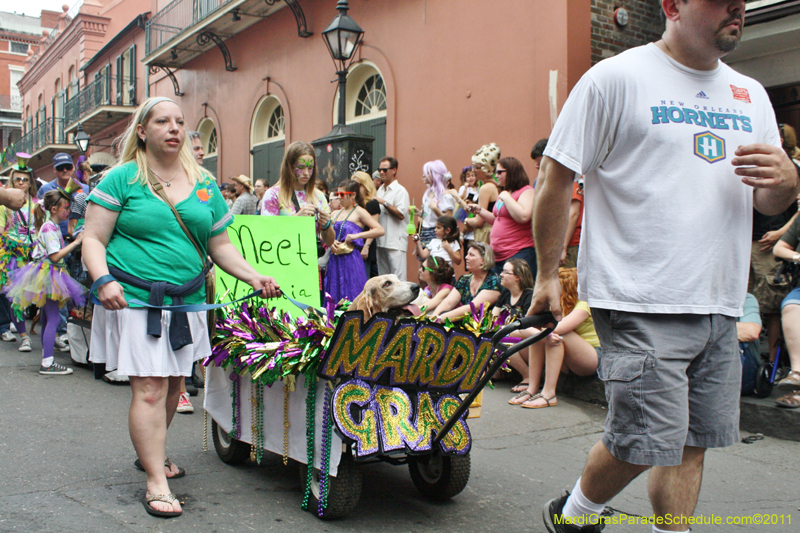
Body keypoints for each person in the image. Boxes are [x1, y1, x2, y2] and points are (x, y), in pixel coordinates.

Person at [529, 2, 800, 532]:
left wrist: (789, 182)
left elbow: (767, 199)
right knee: (643, 440)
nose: (736, 8)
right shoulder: (615, 79)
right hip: (639, 296)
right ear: (673, 5)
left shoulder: (750, 94)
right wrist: (544, 275)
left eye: (741, 0)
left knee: (693, 443)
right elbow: (555, 179)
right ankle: (575, 514)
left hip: (721, 300)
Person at [82, 97, 281, 518]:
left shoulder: (203, 182)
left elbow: (219, 244)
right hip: (137, 300)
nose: (173, 128)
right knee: (151, 389)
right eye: (162, 121)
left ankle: (150, 453)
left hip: (187, 302)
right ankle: (156, 480)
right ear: (142, 131)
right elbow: (93, 239)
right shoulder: (122, 178)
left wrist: (253, 276)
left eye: (179, 121)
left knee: (174, 387)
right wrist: (103, 279)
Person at [4, 189, 86, 374]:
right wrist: (76, 242)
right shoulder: (49, 228)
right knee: (54, 318)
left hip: (50, 273)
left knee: (48, 317)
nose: (68, 211)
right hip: (47, 274)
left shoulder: (52, 226)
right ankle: (47, 363)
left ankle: (47, 358)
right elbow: (55, 256)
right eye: (66, 207)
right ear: (54, 209)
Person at [511, 268, 599, 409]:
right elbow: (522, 329)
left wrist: (535, 332)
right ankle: (532, 388)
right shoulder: (558, 304)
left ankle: (549, 394)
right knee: (542, 336)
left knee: (556, 334)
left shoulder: (584, 303)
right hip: (568, 359)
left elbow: (558, 329)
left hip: (591, 357)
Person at [749, 124, 800, 362]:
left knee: (772, 305)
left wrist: (780, 232)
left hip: (769, 242)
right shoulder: (751, 162)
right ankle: (750, 359)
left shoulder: (791, 168)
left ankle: (773, 361)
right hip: (747, 239)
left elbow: (798, 211)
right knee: (748, 302)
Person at [261, 141, 334, 296]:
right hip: (280, 268)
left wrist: (326, 224)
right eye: (300, 167)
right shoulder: (273, 195)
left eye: (310, 167)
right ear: (289, 166)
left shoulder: (319, 196)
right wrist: (296, 219)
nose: (306, 173)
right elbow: (267, 236)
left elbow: (329, 241)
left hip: (309, 268)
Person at [468, 156, 536, 277]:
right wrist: (480, 211)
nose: (496, 176)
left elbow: (523, 217)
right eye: (496, 172)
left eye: (500, 172)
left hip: (518, 253)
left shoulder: (526, 191)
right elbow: (498, 219)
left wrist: (506, 196)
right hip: (498, 256)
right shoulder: (505, 193)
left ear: (512, 172)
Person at [0, 160, 39, 351]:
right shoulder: (4, 205)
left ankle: (54, 336)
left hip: (35, 255)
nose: (21, 182)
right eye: (17, 179)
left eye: (25, 179)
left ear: (30, 183)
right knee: (15, 298)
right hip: (13, 257)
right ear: (12, 181)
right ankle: (24, 337)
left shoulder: (38, 205)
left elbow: (42, 229)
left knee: (44, 297)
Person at [325, 181, 384, 303]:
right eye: (337, 194)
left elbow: (379, 230)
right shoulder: (335, 213)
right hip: (334, 259)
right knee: (333, 293)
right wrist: (330, 241)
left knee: (352, 291)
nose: (339, 198)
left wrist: (357, 236)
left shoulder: (359, 211)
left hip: (351, 259)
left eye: (342, 194)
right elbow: (325, 233)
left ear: (353, 195)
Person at [492, 258, 534, 392]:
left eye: (506, 272)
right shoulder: (505, 293)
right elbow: (493, 318)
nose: (501, 275)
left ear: (517, 277)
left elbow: (529, 327)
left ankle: (528, 376)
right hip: (508, 335)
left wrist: (503, 330)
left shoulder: (529, 296)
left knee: (502, 339)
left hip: (528, 342)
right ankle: (500, 371)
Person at [432, 241, 501, 319]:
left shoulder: (494, 281)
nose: (466, 257)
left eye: (471, 255)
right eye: (467, 254)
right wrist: (434, 317)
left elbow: (474, 308)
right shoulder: (464, 279)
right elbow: (448, 303)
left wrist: (441, 318)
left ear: (483, 260)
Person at [375, 157, 410, 280]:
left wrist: (384, 202)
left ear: (394, 170)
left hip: (395, 242)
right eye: (380, 170)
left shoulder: (400, 191)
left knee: (399, 280)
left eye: (385, 170)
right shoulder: (380, 190)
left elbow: (401, 214)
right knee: (383, 280)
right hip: (381, 242)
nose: (381, 172)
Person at [465, 143, 501, 244]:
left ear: (486, 169)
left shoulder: (485, 188)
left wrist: (466, 220)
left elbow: (478, 221)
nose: (473, 170)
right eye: (473, 166)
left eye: (477, 167)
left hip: (485, 235)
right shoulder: (494, 184)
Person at [351, 171, 381, 278]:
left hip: (365, 244)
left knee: (363, 277)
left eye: (358, 185)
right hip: (354, 244)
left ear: (365, 185)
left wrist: (366, 246)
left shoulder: (371, 203)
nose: (355, 188)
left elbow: (374, 227)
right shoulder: (354, 204)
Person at [418, 160, 455, 247]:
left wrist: (435, 209)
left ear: (435, 175)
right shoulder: (428, 193)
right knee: (422, 255)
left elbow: (449, 222)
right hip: (424, 232)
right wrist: (420, 213)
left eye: (427, 172)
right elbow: (429, 217)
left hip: (436, 233)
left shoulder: (445, 195)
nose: (423, 175)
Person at [561, 179, 584, 269]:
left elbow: (573, 214)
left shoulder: (573, 181)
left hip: (570, 245)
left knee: (567, 276)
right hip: (570, 244)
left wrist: (563, 247)